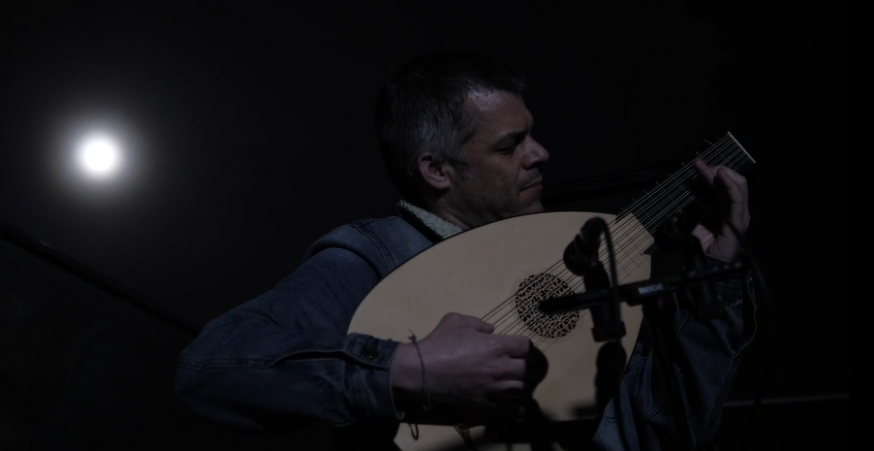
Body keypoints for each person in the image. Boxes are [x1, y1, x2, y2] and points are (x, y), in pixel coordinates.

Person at [173, 51, 757, 451]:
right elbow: (208, 372)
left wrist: (714, 279)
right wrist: (409, 372)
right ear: (437, 170)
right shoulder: (371, 256)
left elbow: (660, 433)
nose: (542, 153)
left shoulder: (567, 266)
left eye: (532, 132)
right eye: (512, 144)